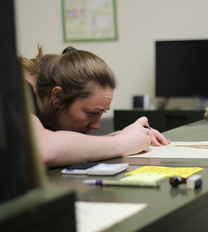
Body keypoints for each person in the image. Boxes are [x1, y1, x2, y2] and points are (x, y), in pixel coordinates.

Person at [20, 46, 170, 169]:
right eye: (91, 114)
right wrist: (121, 143)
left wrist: (122, 137)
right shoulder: (16, 87)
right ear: (58, 97)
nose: (97, 126)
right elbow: (42, 150)